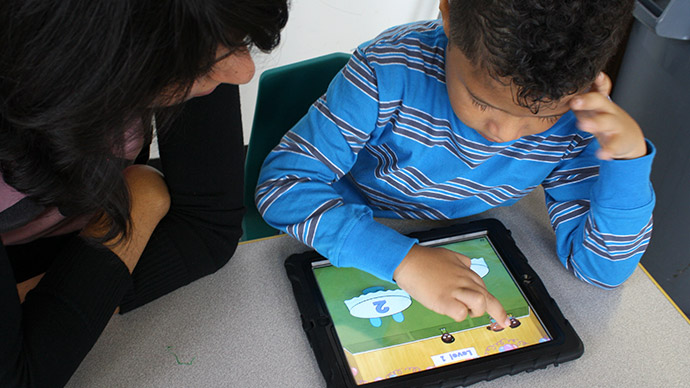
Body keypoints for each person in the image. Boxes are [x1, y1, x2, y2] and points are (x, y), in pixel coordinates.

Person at [256, 0, 654, 329]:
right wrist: (402, 259)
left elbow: (601, 270)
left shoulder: (578, 120)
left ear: (594, 83)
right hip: (355, 227)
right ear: (446, 16)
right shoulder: (387, 70)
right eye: (482, 103)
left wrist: (628, 165)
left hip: (462, 237)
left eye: (543, 117)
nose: (505, 134)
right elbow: (282, 186)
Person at [0, 0, 288, 386]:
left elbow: (208, 231)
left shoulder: (186, 22)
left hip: (85, 238)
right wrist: (141, 196)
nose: (244, 72)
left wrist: (48, 323)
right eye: (207, 61)